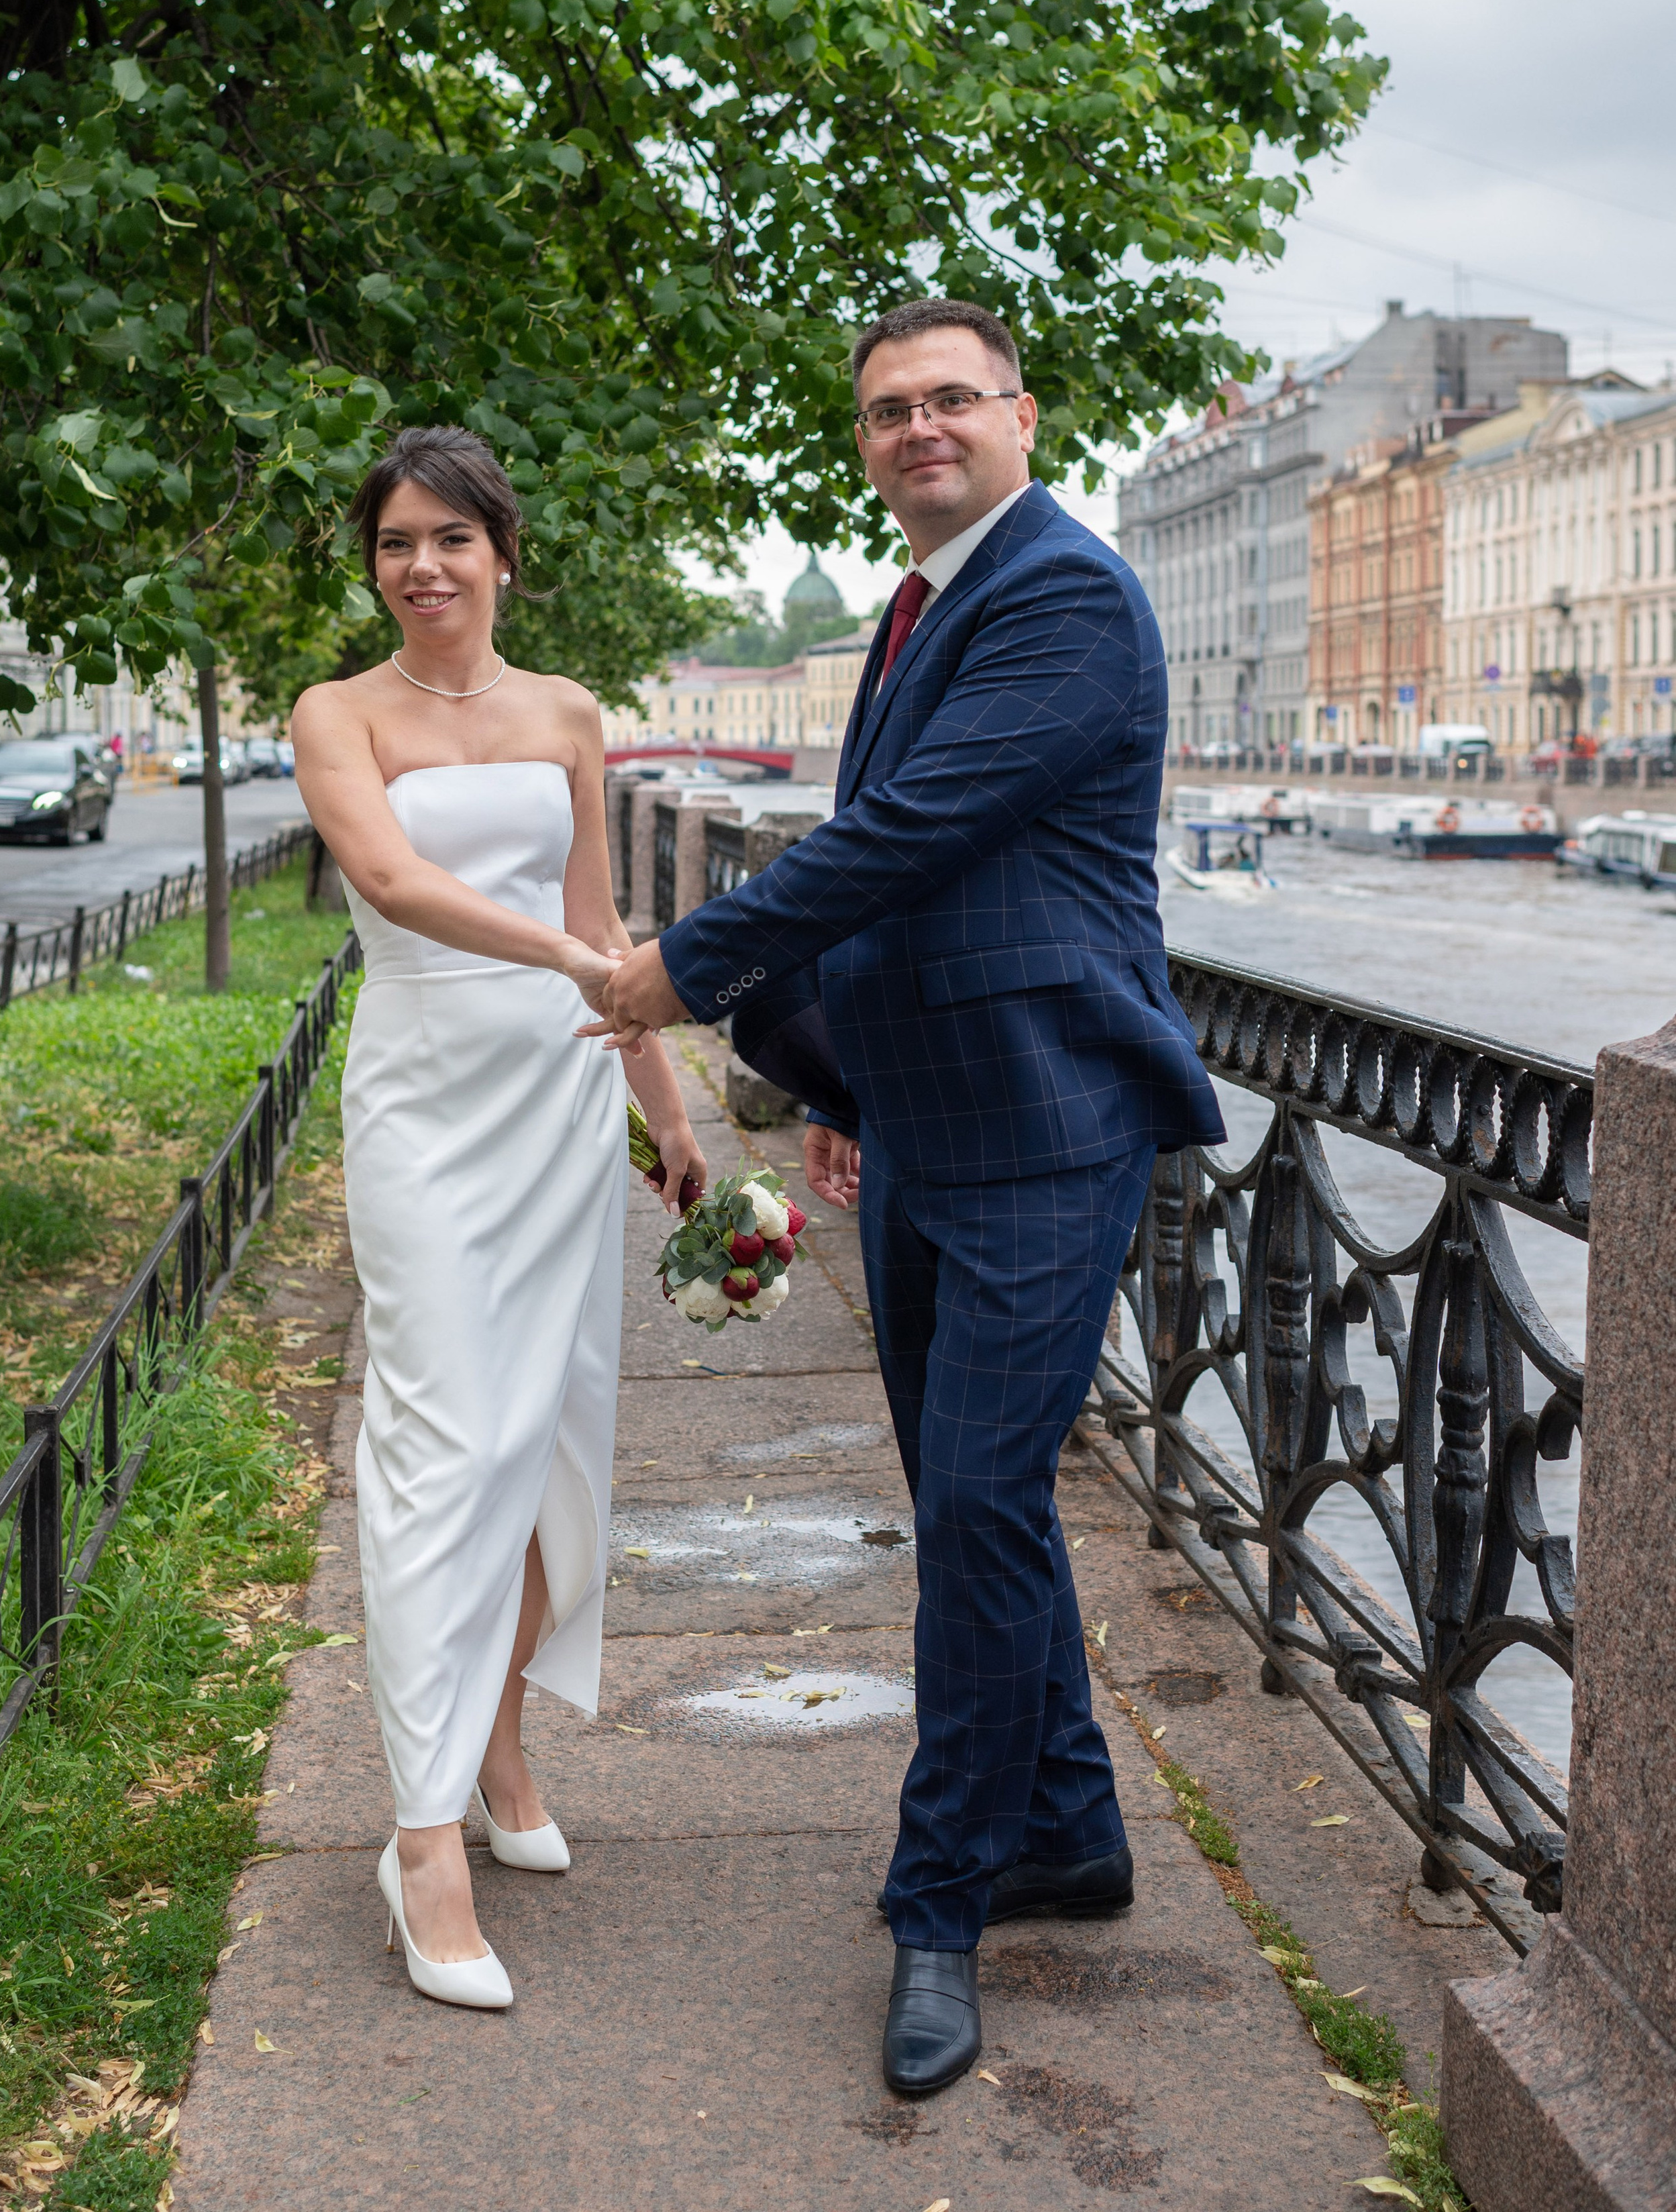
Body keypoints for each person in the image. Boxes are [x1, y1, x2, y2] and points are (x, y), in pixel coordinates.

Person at [590, 299, 1224, 2094]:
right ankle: (1075, 1828)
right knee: (977, 1514)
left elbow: (903, 833)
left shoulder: (1065, 592)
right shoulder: (924, 596)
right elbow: (893, 889)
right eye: (888, 409)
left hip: (1047, 1121)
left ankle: (940, 1899)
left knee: (981, 1499)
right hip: (933, 1116)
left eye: (953, 398)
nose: (920, 428)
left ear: (1024, 413)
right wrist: (835, 1083)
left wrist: (681, 971)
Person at [292, 426, 704, 2011]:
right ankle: (420, 1841)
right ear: (376, 563)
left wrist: (668, 1122)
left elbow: (605, 926)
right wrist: (576, 970)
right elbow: (392, 884)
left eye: (452, 538)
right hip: (423, 1102)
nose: (423, 566)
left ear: (502, 554)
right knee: (440, 1440)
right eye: (397, 541)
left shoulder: (566, 713)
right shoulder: (338, 712)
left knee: (545, 1438)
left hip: (554, 1105)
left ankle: (499, 1738)